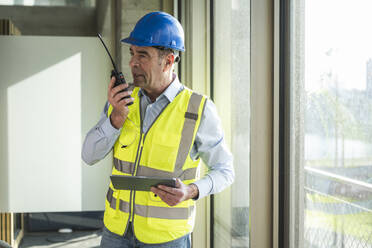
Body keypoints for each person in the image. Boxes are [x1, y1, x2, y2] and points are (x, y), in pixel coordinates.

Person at [82, 11, 234, 248]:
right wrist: (115, 118)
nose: (132, 62)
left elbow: (225, 171)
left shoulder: (198, 109)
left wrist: (192, 190)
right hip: (115, 233)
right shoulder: (121, 101)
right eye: (132, 53)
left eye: (142, 55)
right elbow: (88, 155)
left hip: (166, 240)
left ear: (169, 61)